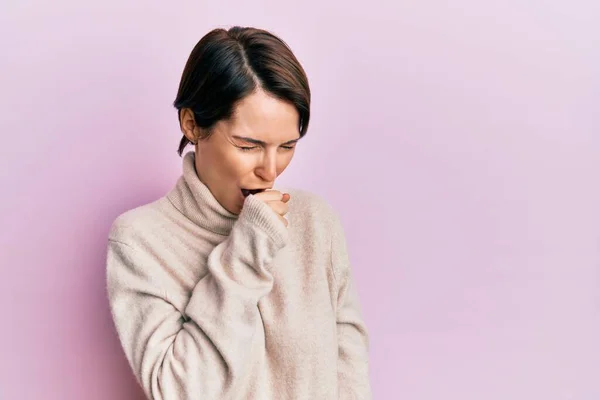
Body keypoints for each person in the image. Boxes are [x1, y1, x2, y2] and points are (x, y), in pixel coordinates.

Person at [106, 26, 371, 400]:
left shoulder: (316, 222)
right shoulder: (140, 242)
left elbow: (350, 374)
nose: (271, 169)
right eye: (249, 146)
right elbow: (179, 391)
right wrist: (247, 248)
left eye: (287, 146)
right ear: (191, 124)